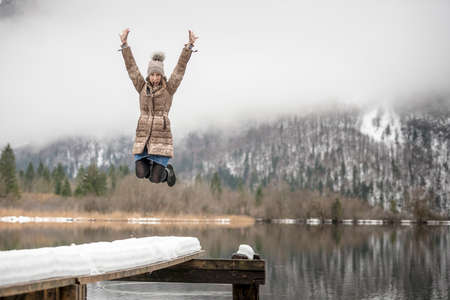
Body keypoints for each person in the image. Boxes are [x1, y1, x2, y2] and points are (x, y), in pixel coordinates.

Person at [119, 28, 198, 187]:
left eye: (158, 75)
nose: (155, 78)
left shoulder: (169, 89)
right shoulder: (141, 86)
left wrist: (188, 48)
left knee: (155, 179)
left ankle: (166, 171)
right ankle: (151, 165)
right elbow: (132, 68)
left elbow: (179, 70)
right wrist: (125, 45)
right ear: (149, 75)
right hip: (144, 138)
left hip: (161, 138)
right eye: (152, 75)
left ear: (162, 75)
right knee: (141, 173)